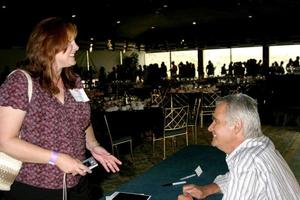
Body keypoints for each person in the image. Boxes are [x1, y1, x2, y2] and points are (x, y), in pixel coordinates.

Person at [0, 17, 121, 200]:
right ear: (48, 46)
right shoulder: (21, 82)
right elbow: (5, 141)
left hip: (77, 182)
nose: (77, 47)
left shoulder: (74, 82)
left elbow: (83, 121)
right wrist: (56, 158)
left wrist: (94, 146)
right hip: (36, 186)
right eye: (69, 42)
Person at [178, 93, 300, 200]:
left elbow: (246, 172)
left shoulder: (248, 162)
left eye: (216, 121)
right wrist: (207, 189)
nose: (210, 128)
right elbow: (237, 178)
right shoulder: (263, 144)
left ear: (236, 126)